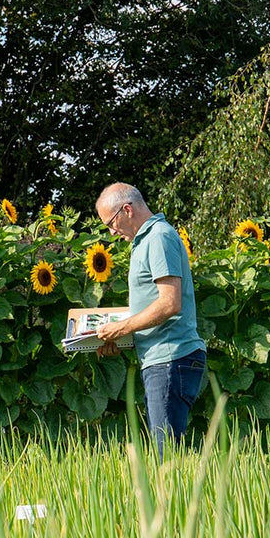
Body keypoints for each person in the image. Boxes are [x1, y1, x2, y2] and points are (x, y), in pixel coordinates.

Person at [94, 183, 206, 454]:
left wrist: (121, 328)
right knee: (166, 452)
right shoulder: (146, 240)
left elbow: (169, 303)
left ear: (127, 210)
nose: (112, 232)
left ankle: (174, 498)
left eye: (111, 223)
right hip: (162, 360)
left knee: (167, 458)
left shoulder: (158, 238)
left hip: (170, 359)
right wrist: (118, 336)